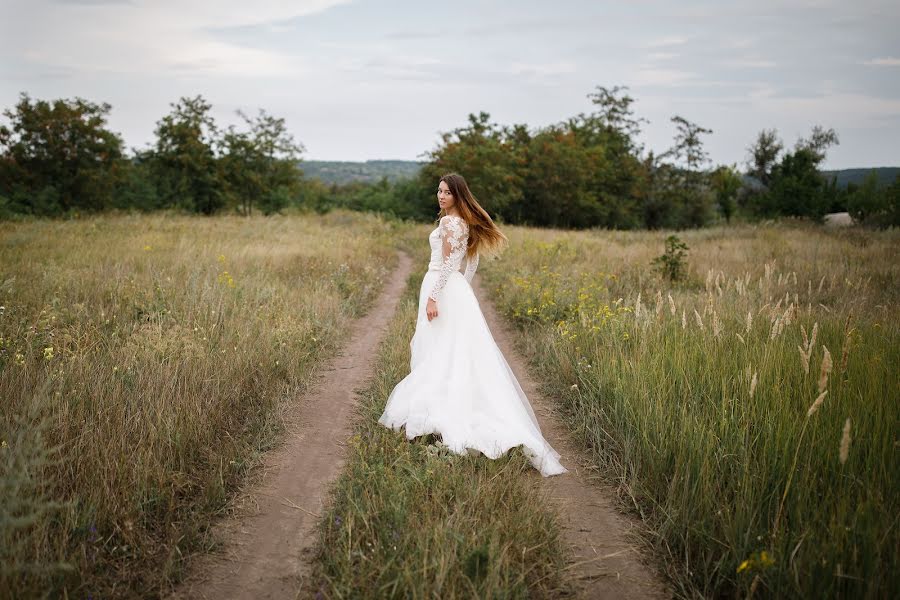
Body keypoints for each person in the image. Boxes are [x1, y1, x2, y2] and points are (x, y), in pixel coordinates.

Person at [377, 173, 567, 477]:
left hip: (441, 289)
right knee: (453, 351)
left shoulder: (450, 222)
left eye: (447, 193)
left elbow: (452, 262)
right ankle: (440, 411)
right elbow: (471, 260)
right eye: (438, 191)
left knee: (440, 351)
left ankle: (441, 416)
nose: (440, 197)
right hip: (451, 290)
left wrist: (436, 297)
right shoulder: (460, 221)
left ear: (458, 196)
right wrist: (459, 289)